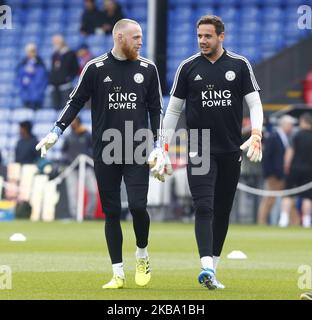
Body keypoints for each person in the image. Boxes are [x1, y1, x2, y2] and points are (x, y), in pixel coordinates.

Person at [36, 19, 163, 289]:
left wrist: (158, 146)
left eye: (141, 37)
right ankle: (117, 272)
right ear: (119, 37)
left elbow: (156, 109)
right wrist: (55, 131)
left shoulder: (148, 69)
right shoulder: (95, 68)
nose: (141, 41)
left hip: (138, 147)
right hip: (105, 150)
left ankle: (142, 253)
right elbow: (75, 100)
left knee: (138, 206)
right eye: (136, 37)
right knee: (112, 212)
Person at [150, 15, 263, 290]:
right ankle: (206, 266)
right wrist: (161, 146)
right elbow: (173, 111)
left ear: (221, 36)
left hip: (230, 147)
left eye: (208, 36)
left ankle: (214, 269)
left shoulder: (239, 65)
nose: (202, 41)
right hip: (199, 146)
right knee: (204, 206)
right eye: (199, 36)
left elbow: (255, 104)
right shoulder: (188, 68)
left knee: (223, 210)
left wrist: (257, 133)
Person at [257, 115, 295, 225]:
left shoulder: (284, 137)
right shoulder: (274, 136)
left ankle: (295, 222)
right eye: (290, 125)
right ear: (284, 125)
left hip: (282, 174)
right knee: (269, 200)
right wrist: (268, 174)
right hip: (274, 175)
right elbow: (267, 156)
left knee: (288, 198)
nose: (291, 128)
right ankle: (262, 222)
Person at [278, 113, 312, 228]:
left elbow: (290, 152)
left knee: (288, 195)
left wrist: (286, 166)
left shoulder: (296, 135)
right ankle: (307, 222)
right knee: (308, 197)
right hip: (309, 171)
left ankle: (283, 220)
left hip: (294, 169)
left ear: (303, 122)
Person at [62, 117, 97, 219]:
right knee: (72, 193)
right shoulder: (68, 137)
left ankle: (89, 214)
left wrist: (88, 157)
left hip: (86, 167)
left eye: (74, 121)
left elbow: (93, 148)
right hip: (72, 167)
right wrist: (68, 160)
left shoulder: (87, 135)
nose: (72, 123)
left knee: (93, 191)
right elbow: (64, 151)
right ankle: (74, 215)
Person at [49, 35, 80, 109]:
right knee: (55, 108)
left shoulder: (70, 54)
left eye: (55, 42)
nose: (54, 44)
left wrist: (69, 78)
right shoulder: (55, 55)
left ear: (61, 43)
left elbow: (75, 68)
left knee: (66, 108)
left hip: (66, 86)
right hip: (54, 86)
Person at [16, 43, 48, 110]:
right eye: (29, 51)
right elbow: (19, 79)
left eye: (33, 51)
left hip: (38, 97)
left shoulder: (41, 64)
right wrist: (22, 90)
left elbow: (44, 80)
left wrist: (40, 92)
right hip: (25, 96)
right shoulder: (22, 64)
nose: (31, 53)